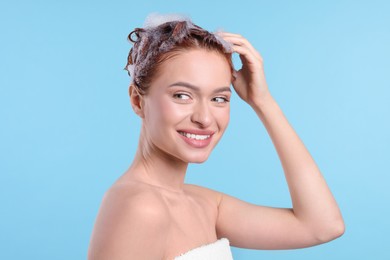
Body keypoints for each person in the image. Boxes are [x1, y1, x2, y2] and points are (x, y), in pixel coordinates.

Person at [88, 13, 345, 259]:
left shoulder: (204, 204)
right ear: (137, 100)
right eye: (182, 95)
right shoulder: (141, 208)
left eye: (219, 98)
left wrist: (262, 101)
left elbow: (322, 225)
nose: (205, 118)